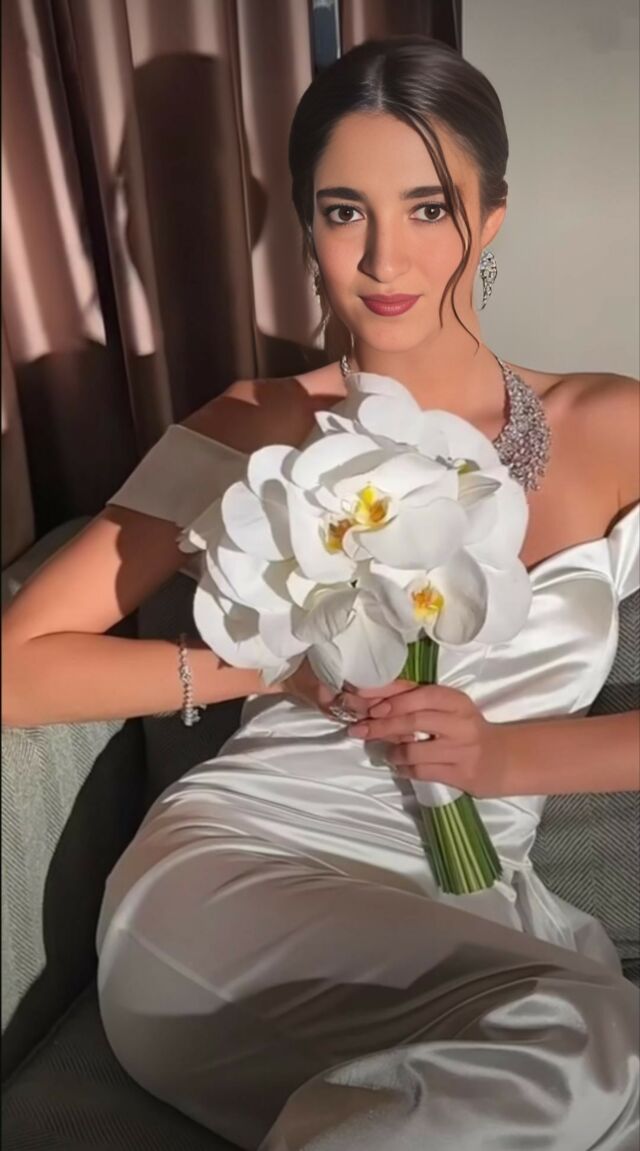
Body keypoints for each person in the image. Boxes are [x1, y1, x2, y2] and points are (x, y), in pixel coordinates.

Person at [3, 34, 639, 1151]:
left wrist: (502, 758)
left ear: (492, 216)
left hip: (470, 909)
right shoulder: (251, 422)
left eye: (429, 208)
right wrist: (270, 666)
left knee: (588, 1046)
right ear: (306, 227)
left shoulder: (615, 425)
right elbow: (18, 667)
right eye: (345, 211)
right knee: (591, 1045)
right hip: (235, 877)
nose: (385, 258)